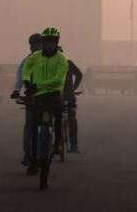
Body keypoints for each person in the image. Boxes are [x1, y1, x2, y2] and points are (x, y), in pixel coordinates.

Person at [21, 27, 68, 175]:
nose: (49, 45)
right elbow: (26, 67)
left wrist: (37, 85)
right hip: (39, 95)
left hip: (54, 94)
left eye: (52, 42)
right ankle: (34, 160)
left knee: (59, 116)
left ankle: (57, 145)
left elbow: (58, 79)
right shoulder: (36, 56)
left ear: (56, 42)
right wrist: (26, 80)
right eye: (47, 41)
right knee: (34, 129)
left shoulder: (61, 59)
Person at [11, 32, 42, 165]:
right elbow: (20, 77)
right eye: (33, 45)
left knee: (48, 123)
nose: (34, 48)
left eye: (37, 45)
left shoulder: (50, 59)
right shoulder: (26, 61)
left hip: (48, 95)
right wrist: (16, 90)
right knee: (29, 125)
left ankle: (51, 145)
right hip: (31, 97)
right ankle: (27, 153)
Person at [61, 49, 84, 153]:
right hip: (68, 95)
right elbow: (79, 75)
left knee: (71, 118)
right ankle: (74, 145)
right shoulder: (68, 63)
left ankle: (73, 144)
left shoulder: (68, 63)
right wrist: (74, 87)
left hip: (64, 95)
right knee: (72, 119)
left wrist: (73, 88)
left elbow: (79, 75)